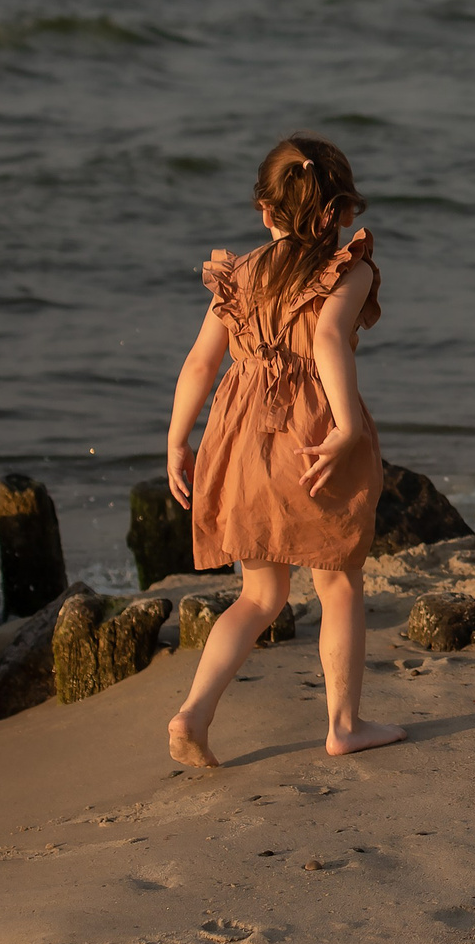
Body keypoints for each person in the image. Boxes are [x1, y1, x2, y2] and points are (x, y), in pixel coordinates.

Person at [164, 136, 405, 767]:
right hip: (314, 436)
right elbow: (327, 336)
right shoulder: (348, 269)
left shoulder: (239, 276)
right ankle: (344, 725)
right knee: (338, 582)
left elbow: (199, 363)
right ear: (342, 212)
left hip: (242, 439)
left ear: (265, 212)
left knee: (259, 595)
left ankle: (194, 712)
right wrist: (347, 425)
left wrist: (177, 438)